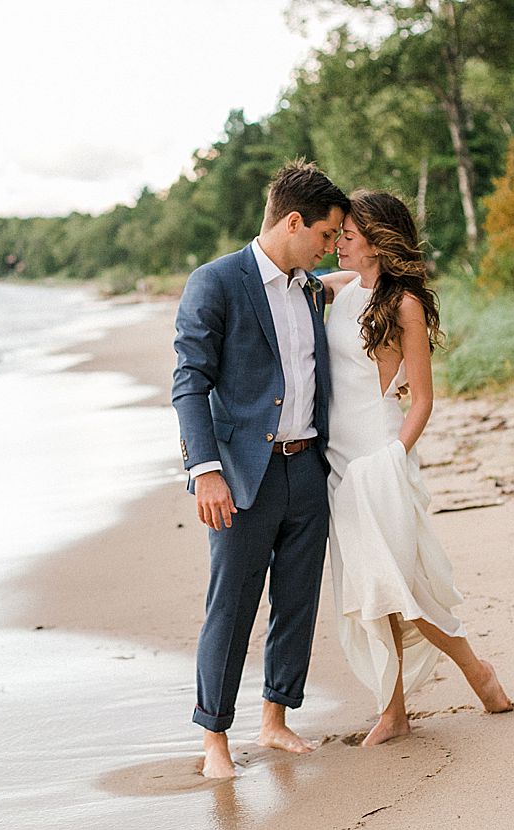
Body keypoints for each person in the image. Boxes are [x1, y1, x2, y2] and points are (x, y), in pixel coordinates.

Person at [172, 160, 349, 778]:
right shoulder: (215, 282)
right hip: (243, 474)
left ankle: (275, 720)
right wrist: (206, 470)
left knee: (297, 601)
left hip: (307, 468)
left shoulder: (307, 286)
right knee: (233, 604)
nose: (331, 250)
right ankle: (214, 738)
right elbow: (189, 383)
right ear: (293, 222)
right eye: (326, 236)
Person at [318, 190, 514, 746]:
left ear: (377, 242)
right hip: (338, 460)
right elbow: (287, 280)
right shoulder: (343, 289)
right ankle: (394, 710)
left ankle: (477, 669)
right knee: (370, 590)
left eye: (347, 237)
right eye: (335, 236)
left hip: (379, 456)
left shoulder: (402, 303)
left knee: (399, 585)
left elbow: (422, 399)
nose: (336, 245)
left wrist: (393, 459)